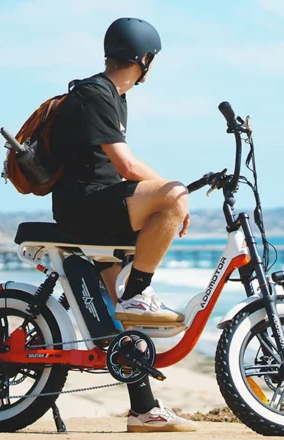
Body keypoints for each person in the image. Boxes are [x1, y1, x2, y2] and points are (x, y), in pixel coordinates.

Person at [50, 17, 196, 433]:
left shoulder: (111, 94)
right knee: (174, 196)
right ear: (144, 59)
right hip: (88, 208)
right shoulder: (96, 94)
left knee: (121, 326)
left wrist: (168, 195)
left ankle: (143, 410)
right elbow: (127, 167)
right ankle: (138, 291)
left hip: (97, 206)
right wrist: (174, 196)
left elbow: (120, 171)